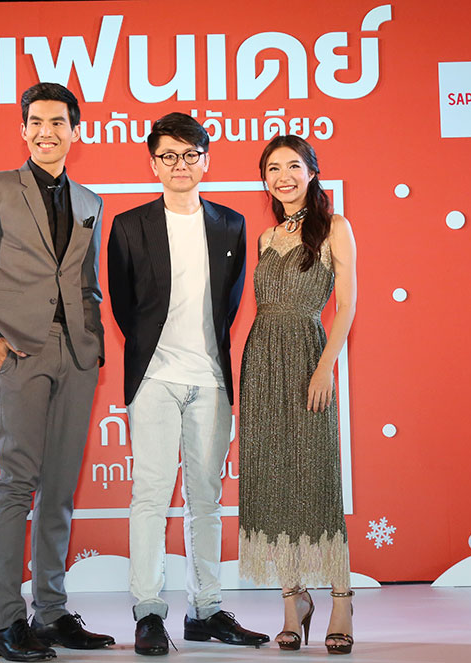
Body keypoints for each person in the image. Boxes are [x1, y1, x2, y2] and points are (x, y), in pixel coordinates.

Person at [0, 82, 114, 662]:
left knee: (61, 489)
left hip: (78, 357)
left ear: (75, 131)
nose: (47, 132)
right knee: (17, 484)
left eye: (58, 122)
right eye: (36, 122)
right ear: (23, 131)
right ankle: (6, 625)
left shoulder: (90, 201)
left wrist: (93, 343)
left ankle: (52, 613)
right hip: (17, 352)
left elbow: (87, 282)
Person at [107, 112, 268, 656]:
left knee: (207, 500)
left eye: (191, 154)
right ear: (153, 164)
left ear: (206, 160)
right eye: (169, 156)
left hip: (211, 379)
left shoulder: (231, 224)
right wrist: (155, 353)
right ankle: (149, 612)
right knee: (150, 497)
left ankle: (207, 610)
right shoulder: (129, 226)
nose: (181, 165)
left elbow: (230, 303)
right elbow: (125, 306)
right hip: (153, 377)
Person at [237, 135, 358, 655]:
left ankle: (342, 600)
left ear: (311, 172)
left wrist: (324, 367)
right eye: (272, 168)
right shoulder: (265, 238)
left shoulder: (336, 227)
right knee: (271, 479)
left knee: (317, 477)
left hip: (309, 357)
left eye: (292, 166)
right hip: (262, 362)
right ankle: (293, 601)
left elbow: (347, 306)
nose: (282, 176)